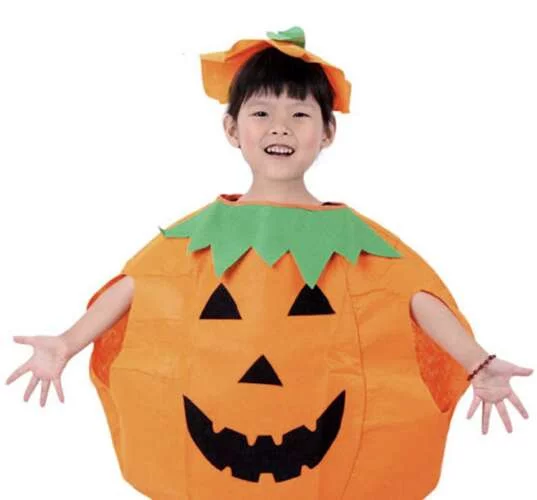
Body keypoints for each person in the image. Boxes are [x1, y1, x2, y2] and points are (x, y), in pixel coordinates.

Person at [6, 26, 533, 500]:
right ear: (232, 129)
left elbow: (411, 299)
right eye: (261, 113)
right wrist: (67, 343)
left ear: (327, 133)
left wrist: (476, 362)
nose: (280, 128)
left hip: (318, 418)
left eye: (299, 114)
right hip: (216, 416)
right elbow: (141, 288)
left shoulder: (354, 241)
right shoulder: (199, 235)